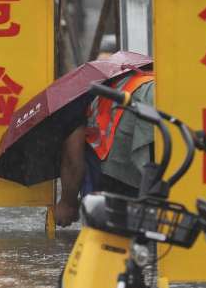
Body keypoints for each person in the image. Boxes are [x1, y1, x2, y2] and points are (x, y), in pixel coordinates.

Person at [54, 70, 154, 227]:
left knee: (110, 222)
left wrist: (68, 204)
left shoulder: (68, 102)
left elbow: (73, 162)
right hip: (153, 99)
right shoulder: (118, 78)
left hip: (128, 126)